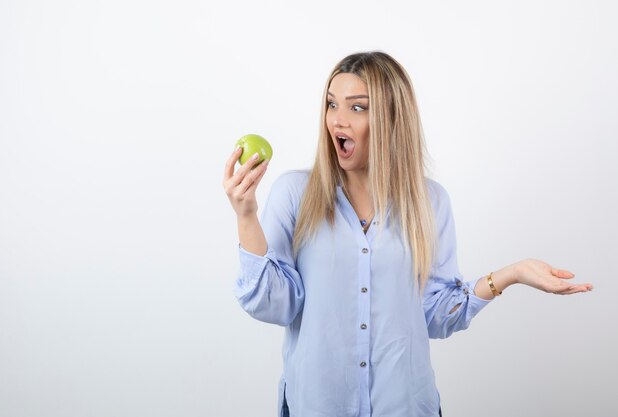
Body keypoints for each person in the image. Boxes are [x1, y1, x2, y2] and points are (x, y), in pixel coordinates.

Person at [222, 51, 593, 417]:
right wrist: (246, 215)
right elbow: (276, 305)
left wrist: (512, 274)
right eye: (332, 105)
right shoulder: (294, 193)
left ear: (391, 117)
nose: (337, 121)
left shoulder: (429, 202)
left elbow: (435, 313)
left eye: (357, 107)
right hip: (318, 406)